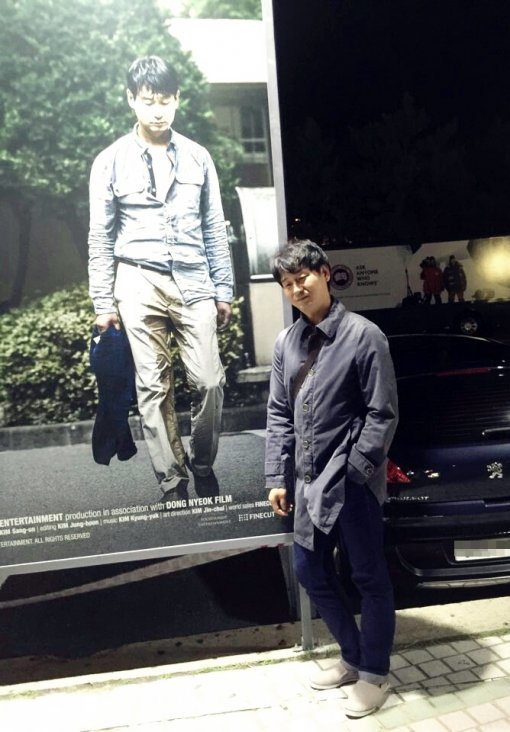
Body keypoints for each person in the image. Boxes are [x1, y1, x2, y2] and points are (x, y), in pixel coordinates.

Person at [88, 55, 233, 497]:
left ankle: (202, 463)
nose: (157, 110)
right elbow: (100, 236)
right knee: (152, 386)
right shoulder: (109, 161)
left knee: (210, 380)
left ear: (177, 100)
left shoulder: (198, 157)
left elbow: (214, 228)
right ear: (131, 99)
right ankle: (172, 479)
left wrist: (223, 289)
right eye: (148, 101)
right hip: (136, 282)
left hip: (193, 279)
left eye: (165, 101)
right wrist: (103, 303)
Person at [265, 239, 398, 719]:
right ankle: (352, 656)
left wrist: (358, 472)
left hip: (351, 483)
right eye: (287, 283)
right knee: (310, 572)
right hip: (306, 482)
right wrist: (276, 476)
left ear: (324, 273)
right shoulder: (287, 343)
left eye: (302, 277)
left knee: (368, 576)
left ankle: (374, 674)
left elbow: (382, 413)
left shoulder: (364, 336)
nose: (296, 289)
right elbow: (279, 414)